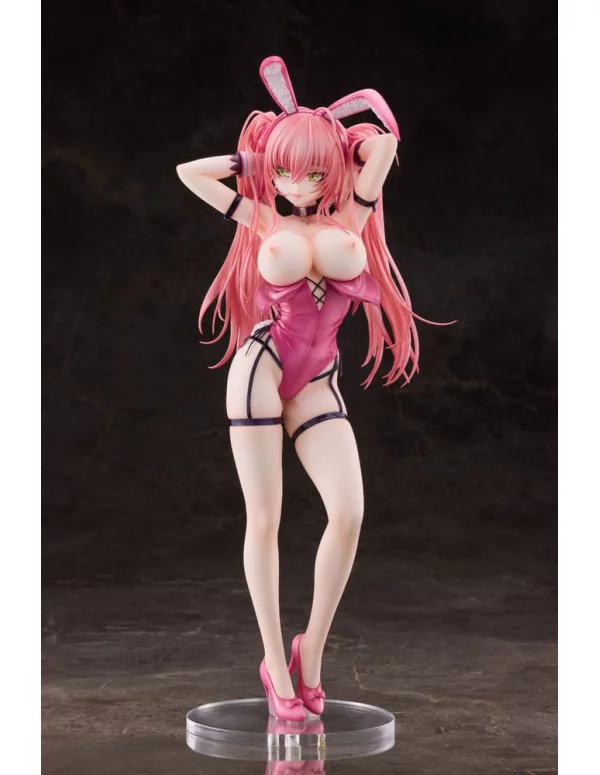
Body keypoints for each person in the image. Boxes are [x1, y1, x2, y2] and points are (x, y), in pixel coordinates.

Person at [176, 56, 446, 722]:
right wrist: (259, 158)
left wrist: (334, 141)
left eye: (313, 173)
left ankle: (311, 654)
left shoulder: (354, 211)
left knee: (348, 513)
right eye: (287, 173)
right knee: (264, 518)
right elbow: (190, 173)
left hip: (319, 377)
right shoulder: (263, 219)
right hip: (262, 369)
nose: (297, 186)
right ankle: (275, 667)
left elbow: (385, 145)